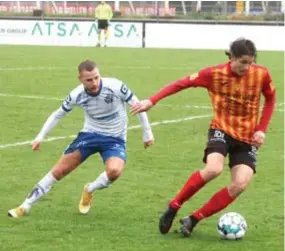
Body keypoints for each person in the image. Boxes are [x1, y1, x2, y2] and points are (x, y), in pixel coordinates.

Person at [131, 38, 276, 237]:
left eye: (250, 62)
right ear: (231, 57)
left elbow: (270, 97)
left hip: (247, 137)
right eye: (243, 62)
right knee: (213, 169)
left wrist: (261, 129)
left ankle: (193, 219)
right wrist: (152, 100)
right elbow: (181, 83)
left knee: (240, 184)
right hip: (221, 130)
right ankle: (174, 206)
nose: (247, 67)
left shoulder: (261, 74)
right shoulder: (213, 74)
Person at [8, 59, 154, 218]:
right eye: (89, 80)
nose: (94, 82)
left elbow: (139, 105)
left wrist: (147, 133)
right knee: (59, 171)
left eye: (97, 77)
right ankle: (25, 206)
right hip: (89, 135)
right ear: (80, 79)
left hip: (115, 139)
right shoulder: (76, 95)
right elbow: (58, 114)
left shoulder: (115, 86)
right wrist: (40, 137)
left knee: (114, 171)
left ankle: (90, 189)